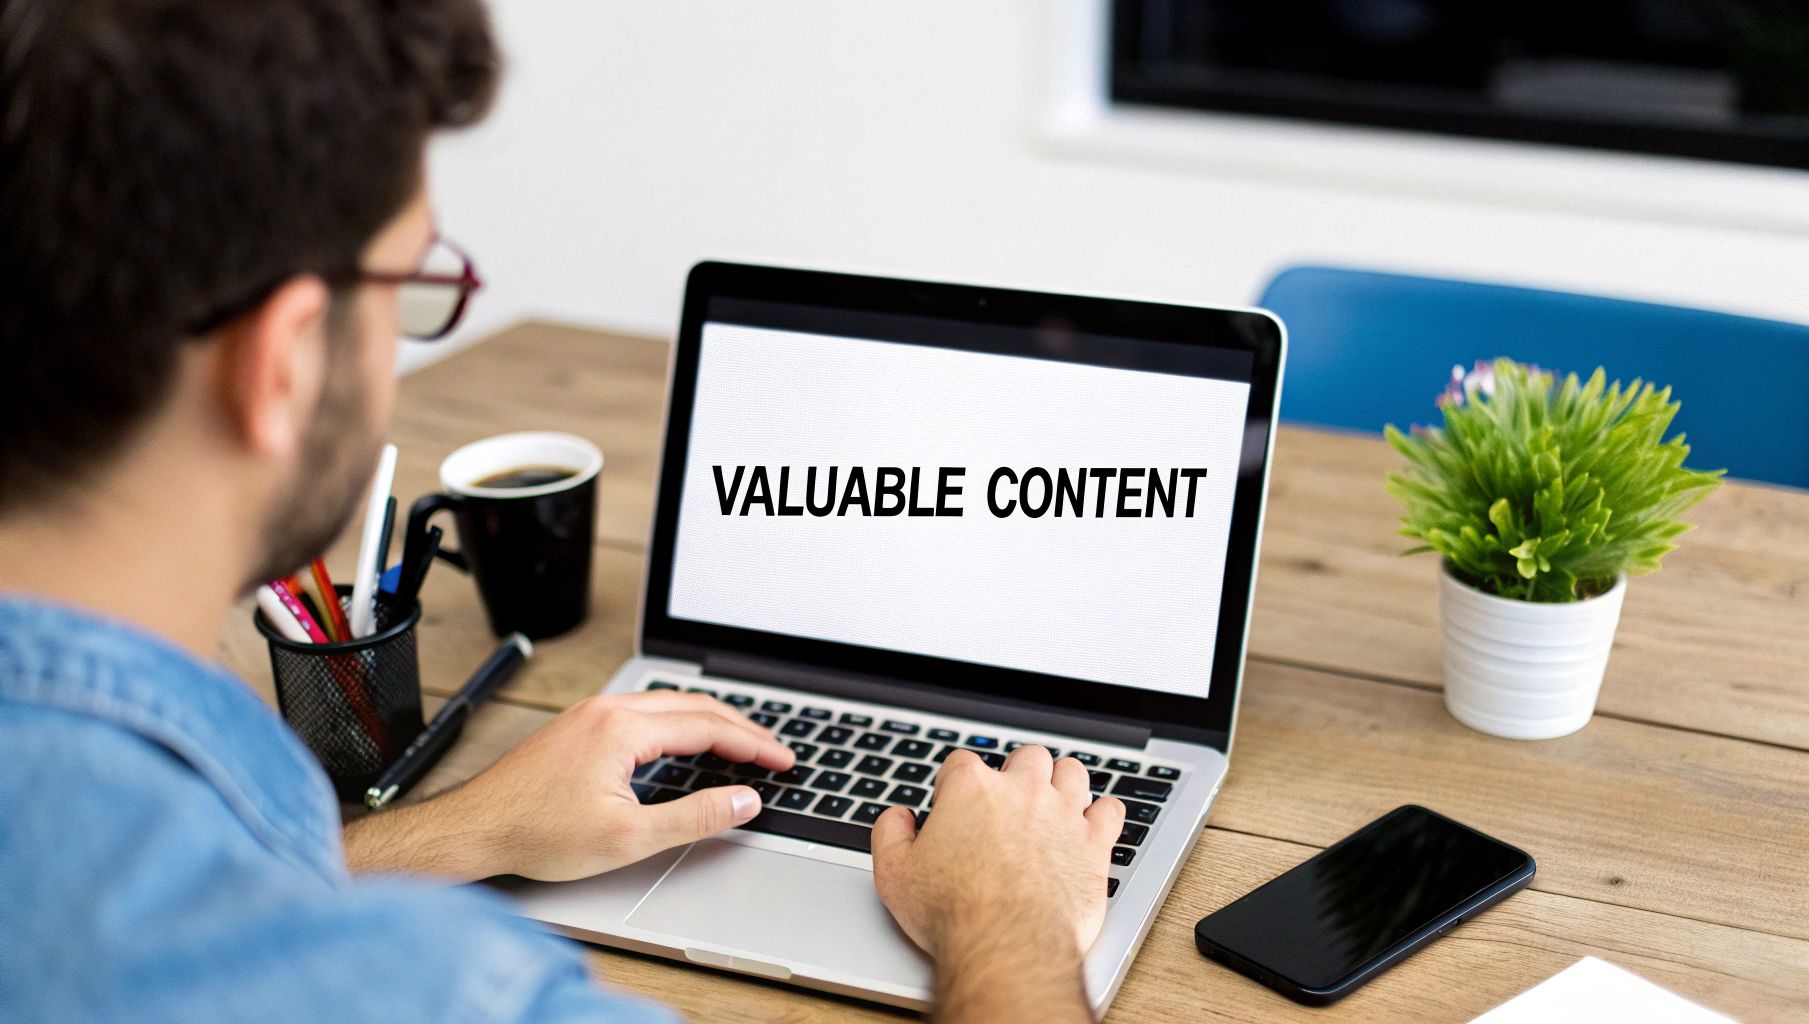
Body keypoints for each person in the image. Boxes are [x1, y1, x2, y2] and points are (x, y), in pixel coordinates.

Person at [0, 2, 1127, 1022]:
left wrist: (460, 828)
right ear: (285, 360)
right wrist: (1007, 916)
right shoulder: (442, 993)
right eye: (410, 283)